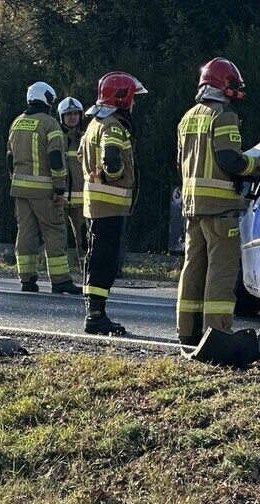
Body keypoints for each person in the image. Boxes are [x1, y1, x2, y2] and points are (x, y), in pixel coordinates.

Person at [175, 58, 260, 347]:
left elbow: (181, 163)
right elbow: (230, 160)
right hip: (221, 209)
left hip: (192, 207)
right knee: (221, 271)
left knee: (193, 268)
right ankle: (217, 332)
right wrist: (257, 164)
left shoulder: (187, 117)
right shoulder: (224, 116)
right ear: (225, 85)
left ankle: (187, 330)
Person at [79, 72, 147, 335]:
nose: (134, 103)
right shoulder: (113, 126)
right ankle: (96, 317)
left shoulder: (95, 123)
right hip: (109, 206)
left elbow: (85, 156)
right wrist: (114, 175)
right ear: (123, 98)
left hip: (96, 205)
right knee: (104, 261)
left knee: (96, 257)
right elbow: (112, 159)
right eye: (133, 98)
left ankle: (96, 312)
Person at [7, 82, 82, 295]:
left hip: (20, 189)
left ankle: (27, 279)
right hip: (44, 191)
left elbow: (9, 157)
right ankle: (60, 280)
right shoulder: (50, 124)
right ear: (46, 99)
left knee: (26, 232)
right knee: (54, 231)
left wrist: (15, 180)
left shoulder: (17, 122)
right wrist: (59, 189)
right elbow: (56, 159)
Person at [57, 96, 88, 271]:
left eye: (76, 113)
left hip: (81, 201)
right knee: (58, 239)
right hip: (58, 199)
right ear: (62, 116)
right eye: (68, 114)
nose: (73, 117)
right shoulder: (56, 138)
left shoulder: (85, 138)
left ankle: (87, 272)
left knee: (85, 239)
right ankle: (60, 274)